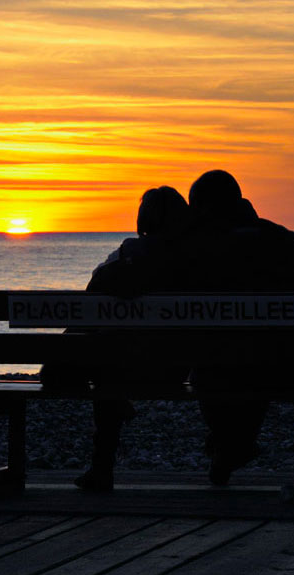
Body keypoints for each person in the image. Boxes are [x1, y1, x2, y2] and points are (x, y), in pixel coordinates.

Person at [40, 186, 192, 491]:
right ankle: (114, 407)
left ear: (143, 219)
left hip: (118, 368)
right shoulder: (197, 261)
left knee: (91, 365)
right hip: (175, 370)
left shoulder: (123, 258)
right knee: (107, 362)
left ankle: (102, 467)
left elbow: (85, 311)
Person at [182, 170, 294, 485]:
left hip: (221, 366)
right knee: (254, 354)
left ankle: (229, 445)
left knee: (213, 360)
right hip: (283, 367)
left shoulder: (205, 247)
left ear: (207, 208)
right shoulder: (283, 238)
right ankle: (232, 446)